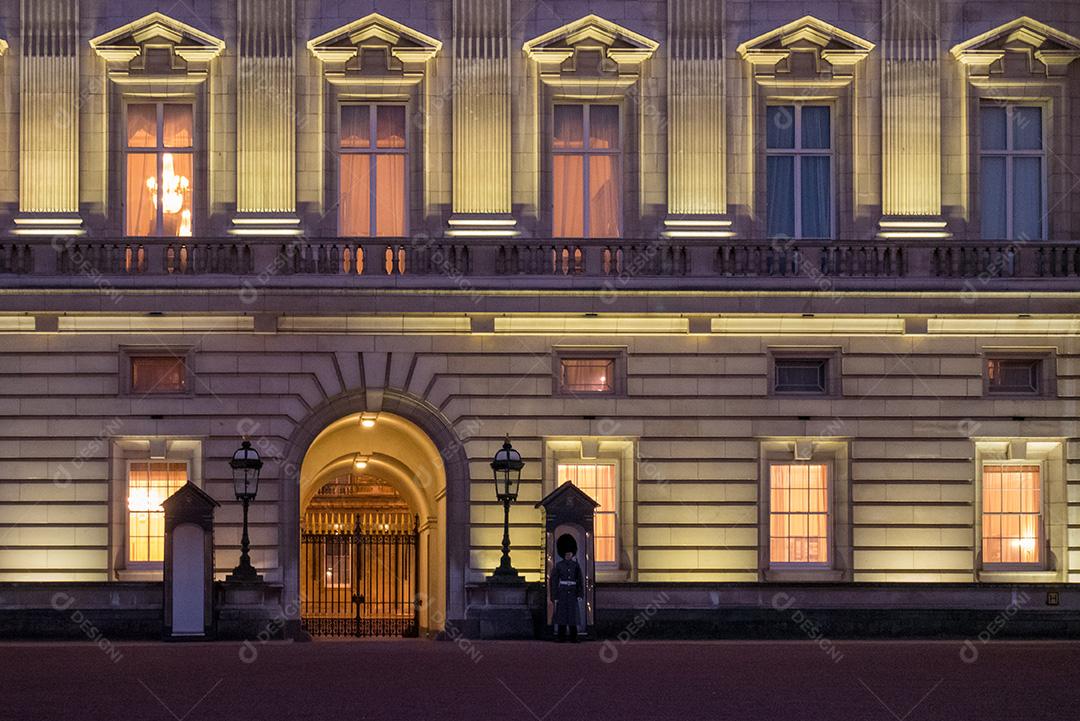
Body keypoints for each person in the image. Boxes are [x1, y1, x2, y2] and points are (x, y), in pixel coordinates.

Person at [550, 549, 584, 642]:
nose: (568, 555)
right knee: (562, 615)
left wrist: (580, 593)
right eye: (567, 554)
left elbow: (580, 580)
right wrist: (555, 596)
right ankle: (561, 636)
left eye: (570, 554)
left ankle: (574, 637)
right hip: (562, 592)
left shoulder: (576, 565)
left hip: (572, 592)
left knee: (573, 615)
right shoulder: (559, 565)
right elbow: (554, 581)